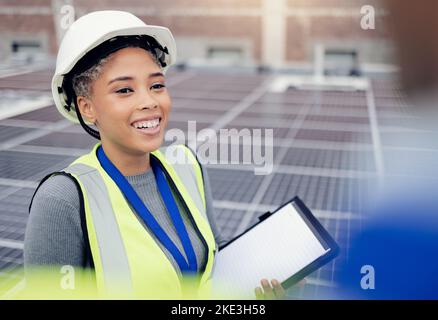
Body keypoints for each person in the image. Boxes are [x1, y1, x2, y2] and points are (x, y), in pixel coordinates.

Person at [23, 10, 285, 299]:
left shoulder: (187, 164)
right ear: (87, 108)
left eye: (157, 85)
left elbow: (213, 258)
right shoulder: (64, 198)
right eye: (124, 90)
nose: (149, 101)